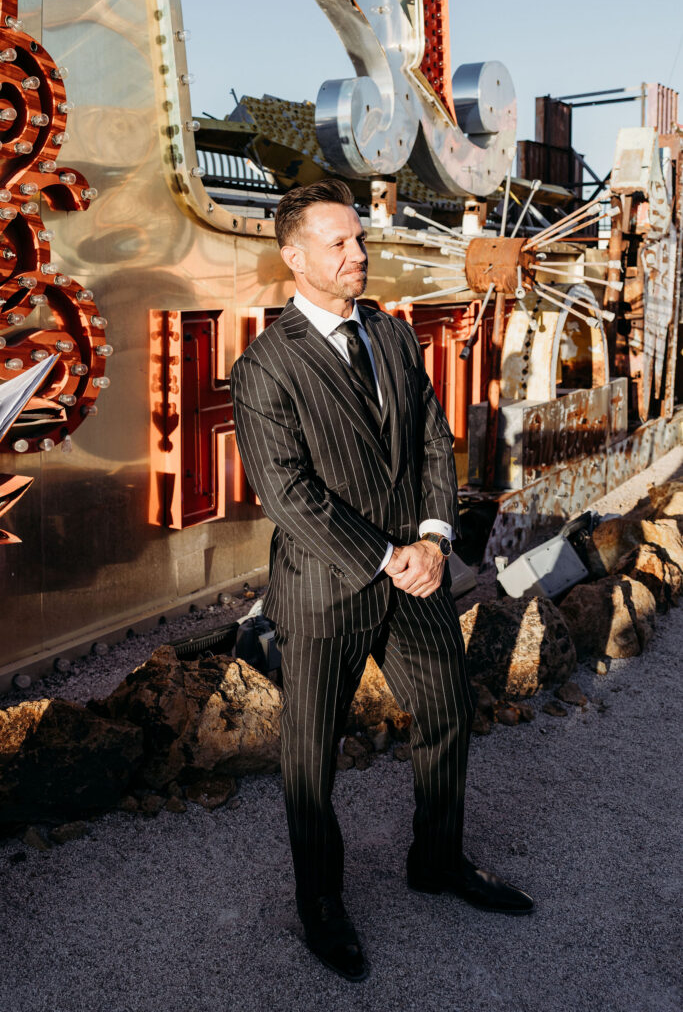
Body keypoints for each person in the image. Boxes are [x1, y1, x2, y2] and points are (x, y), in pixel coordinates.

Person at [231, 179, 533, 983]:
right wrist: (385, 556)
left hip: (417, 577)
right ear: (293, 257)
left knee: (447, 711)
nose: (357, 254)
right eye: (338, 243)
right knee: (310, 760)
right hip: (326, 588)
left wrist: (434, 537)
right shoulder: (264, 367)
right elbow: (287, 493)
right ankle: (320, 904)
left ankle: (435, 862)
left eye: (358, 240)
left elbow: (434, 442)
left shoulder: (392, 337)